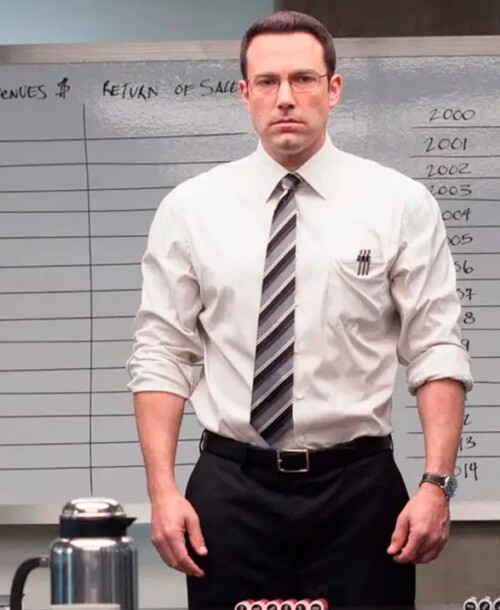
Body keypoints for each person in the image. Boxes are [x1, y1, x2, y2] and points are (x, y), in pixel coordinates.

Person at [126, 10, 473, 609]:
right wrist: (161, 491)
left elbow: (436, 348)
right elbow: (162, 354)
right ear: (245, 94)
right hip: (232, 493)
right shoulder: (190, 210)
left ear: (333, 89)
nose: (285, 97)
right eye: (267, 81)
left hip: (358, 494)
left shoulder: (399, 204)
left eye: (303, 79)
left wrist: (436, 485)